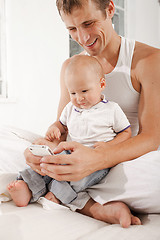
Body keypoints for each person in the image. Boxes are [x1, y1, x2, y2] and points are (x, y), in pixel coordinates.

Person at [24, 0, 160, 228]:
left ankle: (65, 192)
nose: (83, 37)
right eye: (72, 29)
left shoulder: (149, 60)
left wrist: (98, 159)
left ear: (109, 9)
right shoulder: (71, 67)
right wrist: (44, 152)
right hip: (78, 157)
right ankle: (93, 205)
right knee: (6, 140)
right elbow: (63, 126)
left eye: (88, 23)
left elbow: (152, 138)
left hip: (126, 161)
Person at [7, 55, 132, 209]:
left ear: (102, 84)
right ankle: (27, 186)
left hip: (95, 159)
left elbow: (126, 132)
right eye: (73, 93)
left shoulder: (111, 109)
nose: (79, 98)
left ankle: (58, 194)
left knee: (80, 178)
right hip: (68, 151)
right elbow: (61, 124)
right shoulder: (71, 108)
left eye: (84, 91)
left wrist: (110, 146)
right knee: (46, 163)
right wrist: (54, 128)